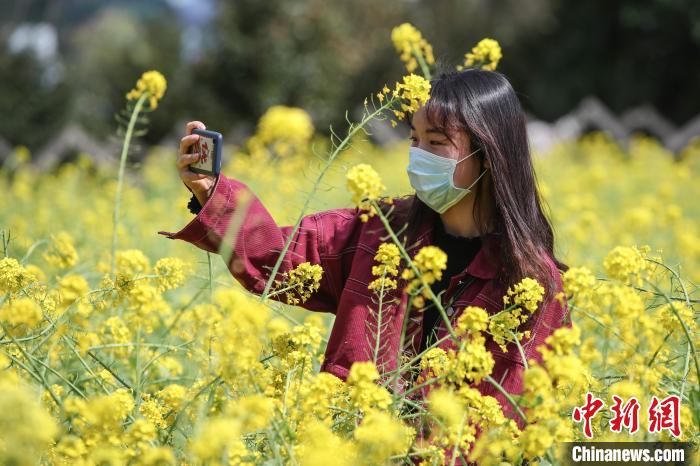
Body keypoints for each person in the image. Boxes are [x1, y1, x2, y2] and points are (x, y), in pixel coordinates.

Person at [158, 68, 571, 442]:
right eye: (414, 139)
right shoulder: (383, 230)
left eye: (437, 143)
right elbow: (278, 257)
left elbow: (529, 421)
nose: (419, 154)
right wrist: (212, 193)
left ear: (488, 154)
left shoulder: (531, 285)